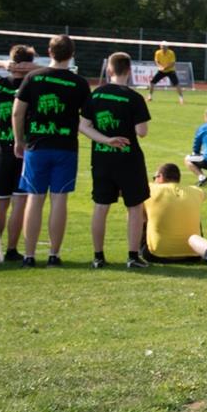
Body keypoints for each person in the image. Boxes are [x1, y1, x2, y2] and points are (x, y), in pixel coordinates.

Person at [12, 33, 92, 268]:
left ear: (49, 52)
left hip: (37, 145)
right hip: (66, 146)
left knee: (35, 199)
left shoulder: (34, 78)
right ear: (72, 54)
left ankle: (29, 255)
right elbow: (87, 118)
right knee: (59, 200)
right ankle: (54, 255)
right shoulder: (79, 83)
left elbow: (17, 112)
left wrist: (19, 140)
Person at [81, 52, 152, 269]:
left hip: (102, 158)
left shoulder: (96, 95)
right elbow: (142, 132)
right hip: (129, 159)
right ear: (129, 71)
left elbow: (83, 126)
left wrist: (106, 139)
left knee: (101, 206)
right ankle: (132, 256)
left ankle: (98, 257)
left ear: (109, 70)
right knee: (134, 206)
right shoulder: (134, 97)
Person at [0, 45, 38, 261]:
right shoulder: (34, 85)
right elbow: (63, 73)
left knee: (0, 202)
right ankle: (12, 249)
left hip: (3, 149)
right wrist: (33, 68)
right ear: (30, 61)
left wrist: (3, 65)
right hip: (26, 149)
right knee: (20, 202)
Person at [141, 163, 205, 262]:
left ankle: (135, 253)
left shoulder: (150, 189)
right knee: (190, 214)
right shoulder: (196, 191)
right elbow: (203, 194)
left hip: (156, 255)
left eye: (155, 177)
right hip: (193, 255)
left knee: (137, 211)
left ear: (160, 176)